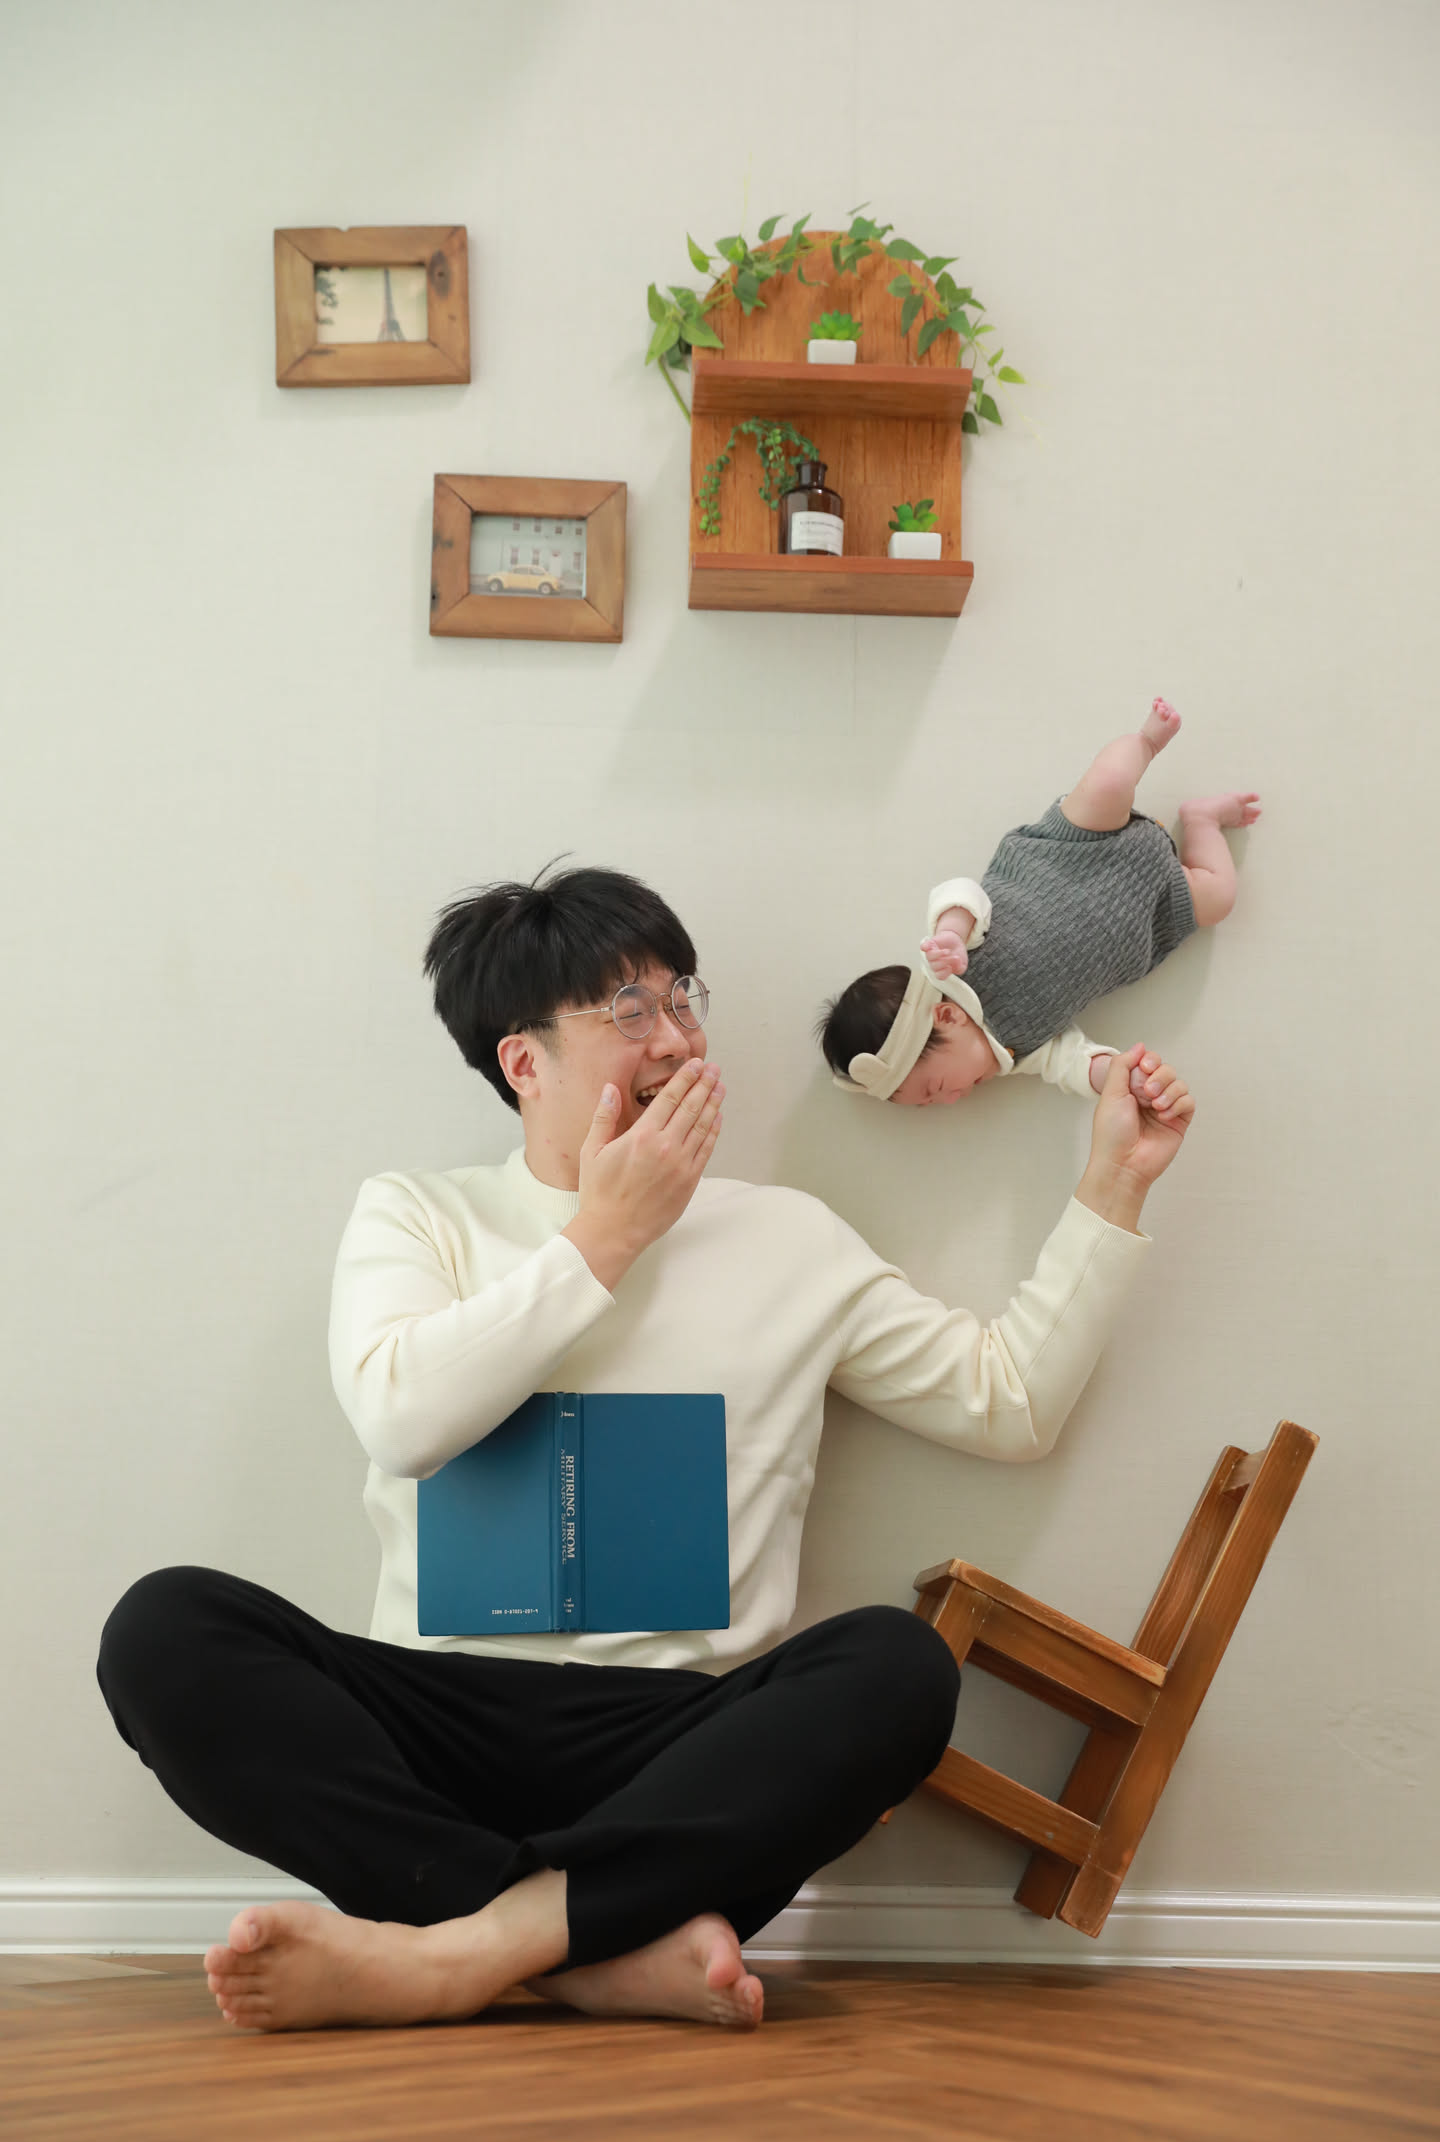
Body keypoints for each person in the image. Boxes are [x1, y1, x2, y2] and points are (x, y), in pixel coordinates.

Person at [96, 864, 1194, 2036]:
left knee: (899, 1667)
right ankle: (586, 1953)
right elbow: (401, 1422)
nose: (676, 1038)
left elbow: (1008, 1405)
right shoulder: (419, 1215)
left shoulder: (786, 1238)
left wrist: (1114, 1181)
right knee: (165, 1629)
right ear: (525, 1063)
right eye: (630, 1010)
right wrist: (607, 1233)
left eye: (682, 999)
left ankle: (458, 1952)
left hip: (674, 1752)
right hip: (435, 1725)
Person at [819, 700, 1260, 1108]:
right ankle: (1202, 822)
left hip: (1079, 849)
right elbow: (1069, 1062)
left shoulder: (950, 963)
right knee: (1219, 899)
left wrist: (951, 931)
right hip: (1150, 910)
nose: (950, 1100)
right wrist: (1115, 1076)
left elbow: (961, 893)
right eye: (930, 1103)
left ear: (947, 1016)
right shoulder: (1014, 1053)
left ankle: (1145, 741)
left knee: (1108, 783)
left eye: (934, 1088)